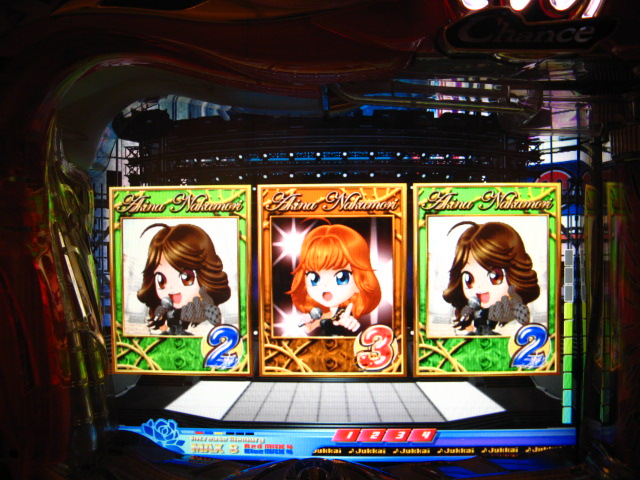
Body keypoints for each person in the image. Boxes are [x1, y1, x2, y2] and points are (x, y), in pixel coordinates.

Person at [443, 221, 540, 335]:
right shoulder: (471, 308)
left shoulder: (514, 308)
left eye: (495, 277)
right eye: (469, 279)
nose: (479, 286)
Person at [288, 223, 381, 336]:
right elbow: (312, 328)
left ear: (360, 280)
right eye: (314, 278)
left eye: (341, 278)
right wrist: (307, 326)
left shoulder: (352, 316)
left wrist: (353, 326)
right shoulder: (321, 313)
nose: (325, 286)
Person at [137, 223, 230, 335]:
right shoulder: (164, 307)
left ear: (206, 274)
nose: (172, 288)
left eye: (187, 278)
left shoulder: (205, 308)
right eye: (161, 280)